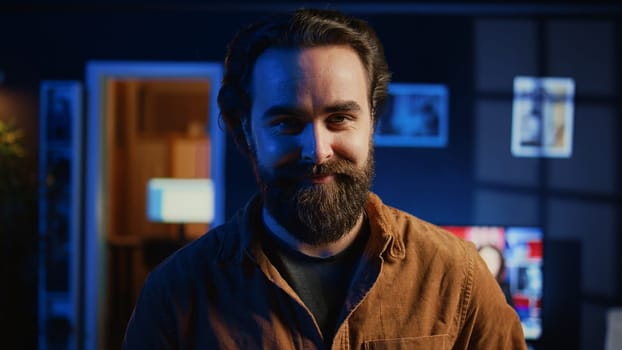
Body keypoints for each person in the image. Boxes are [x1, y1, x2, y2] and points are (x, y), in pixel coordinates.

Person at [122, 8, 527, 349]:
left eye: (340, 118)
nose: (317, 150)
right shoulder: (176, 294)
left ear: (371, 122)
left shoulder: (460, 278)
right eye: (286, 122)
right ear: (246, 131)